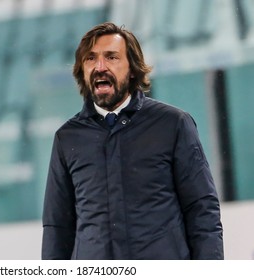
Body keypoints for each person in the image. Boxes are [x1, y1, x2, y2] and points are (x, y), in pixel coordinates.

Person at [41, 22, 223, 260]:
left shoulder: (173, 124)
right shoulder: (67, 138)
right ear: (82, 71)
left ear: (133, 69)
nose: (100, 67)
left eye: (112, 57)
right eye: (91, 59)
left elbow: (202, 209)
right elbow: (57, 226)